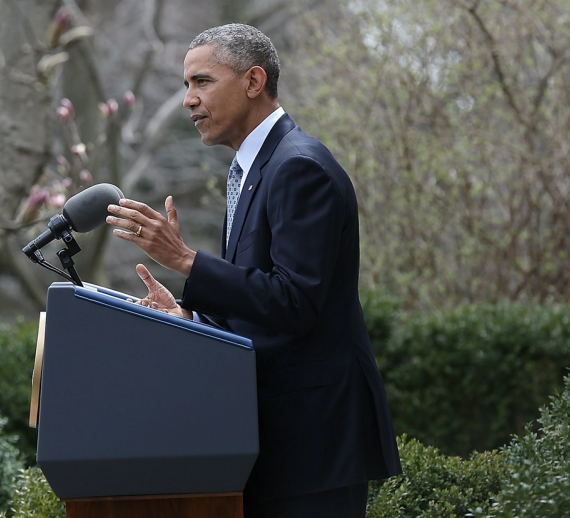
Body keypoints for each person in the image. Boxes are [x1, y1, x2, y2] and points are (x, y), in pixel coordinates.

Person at [105, 24, 402, 517]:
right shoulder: (252, 166)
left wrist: (185, 260)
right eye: (186, 86)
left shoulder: (298, 166)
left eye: (202, 82)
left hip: (312, 445)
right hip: (273, 443)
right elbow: (261, 304)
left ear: (253, 81)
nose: (188, 100)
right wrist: (191, 318)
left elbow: (295, 302)